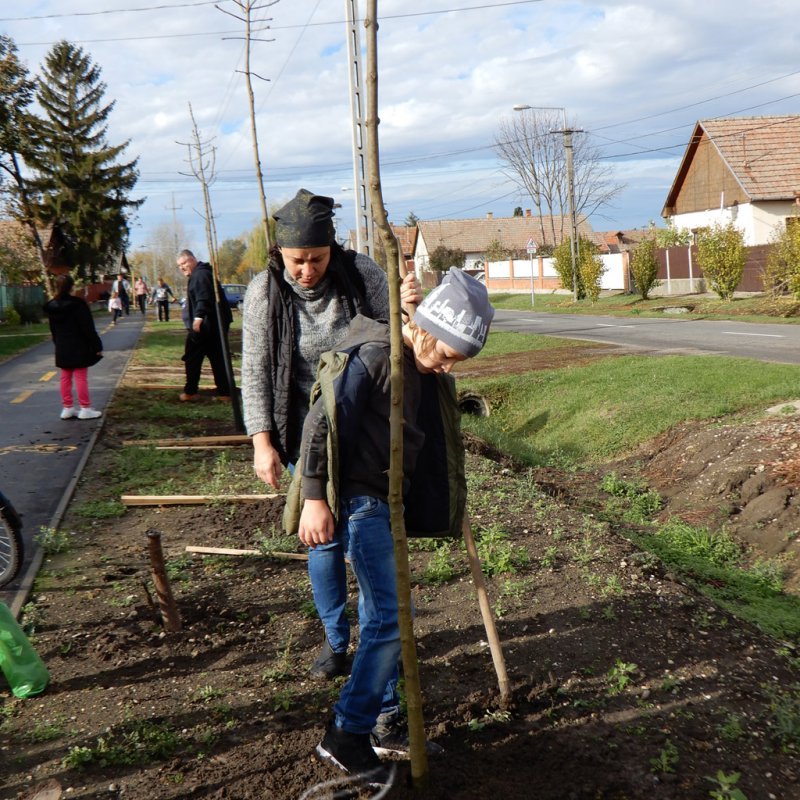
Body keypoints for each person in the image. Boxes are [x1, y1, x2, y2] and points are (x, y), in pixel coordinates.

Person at [287, 269, 493, 784]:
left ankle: (382, 721)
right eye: (446, 353)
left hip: (386, 504)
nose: (447, 366)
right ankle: (347, 732)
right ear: (425, 329)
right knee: (391, 618)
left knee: (389, 615)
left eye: (457, 361)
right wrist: (313, 498)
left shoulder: (417, 358)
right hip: (360, 502)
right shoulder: (378, 355)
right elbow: (321, 421)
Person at [240, 188, 421, 680]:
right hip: (303, 430)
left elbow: (398, 338)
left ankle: (376, 639)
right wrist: (262, 442)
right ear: (280, 253)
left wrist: (410, 310)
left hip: (366, 430)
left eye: (317, 259)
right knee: (319, 537)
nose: (307, 270)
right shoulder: (264, 293)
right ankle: (336, 640)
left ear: (332, 249)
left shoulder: (362, 275)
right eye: (296, 261)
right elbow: (254, 371)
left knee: (365, 535)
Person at [43, 273, 104, 421]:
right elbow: (88, 328)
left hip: (62, 345)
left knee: (65, 377)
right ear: (72, 287)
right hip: (79, 344)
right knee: (80, 377)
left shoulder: (52, 306)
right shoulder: (78, 304)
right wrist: (97, 345)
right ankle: (85, 408)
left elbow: (53, 330)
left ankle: (67, 408)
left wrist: (58, 344)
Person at [176, 249, 233, 401]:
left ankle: (190, 392)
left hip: (205, 327)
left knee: (192, 358)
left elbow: (204, 298)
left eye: (184, 263)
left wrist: (198, 318)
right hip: (212, 326)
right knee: (217, 358)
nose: (182, 267)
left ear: (193, 259)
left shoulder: (200, 275)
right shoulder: (202, 273)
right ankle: (225, 393)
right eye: (179, 265)